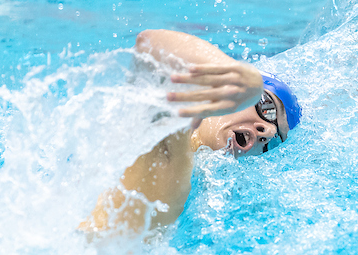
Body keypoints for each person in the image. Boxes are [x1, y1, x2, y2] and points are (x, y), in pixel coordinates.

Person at [81, 29, 301, 234]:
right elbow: (149, 45)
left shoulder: (200, 194)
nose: (267, 131)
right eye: (267, 108)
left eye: (275, 141)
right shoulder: (170, 145)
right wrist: (243, 79)